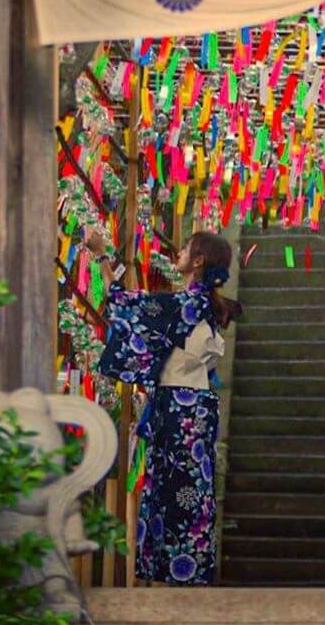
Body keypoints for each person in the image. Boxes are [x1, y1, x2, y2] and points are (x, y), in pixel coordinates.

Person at [94, 230, 237, 585]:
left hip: (180, 409)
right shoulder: (199, 302)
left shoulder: (190, 303)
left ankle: (177, 570)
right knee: (186, 489)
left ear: (199, 260)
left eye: (187, 248)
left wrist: (100, 257)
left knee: (176, 490)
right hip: (189, 406)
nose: (180, 252)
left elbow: (125, 303)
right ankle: (183, 569)